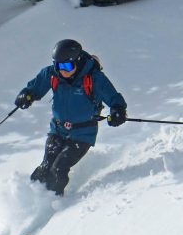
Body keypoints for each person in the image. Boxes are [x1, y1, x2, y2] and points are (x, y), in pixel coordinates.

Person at [15, 39, 127, 196]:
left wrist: (118, 111)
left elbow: (113, 98)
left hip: (82, 134)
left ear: (77, 61)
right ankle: (30, 200)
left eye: (67, 66)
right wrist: (27, 94)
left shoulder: (93, 78)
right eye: (58, 66)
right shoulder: (52, 74)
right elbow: (36, 86)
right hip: (58, 130)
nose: (62, 71)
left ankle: (54, 203)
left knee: (58, 168)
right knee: (45, 166)